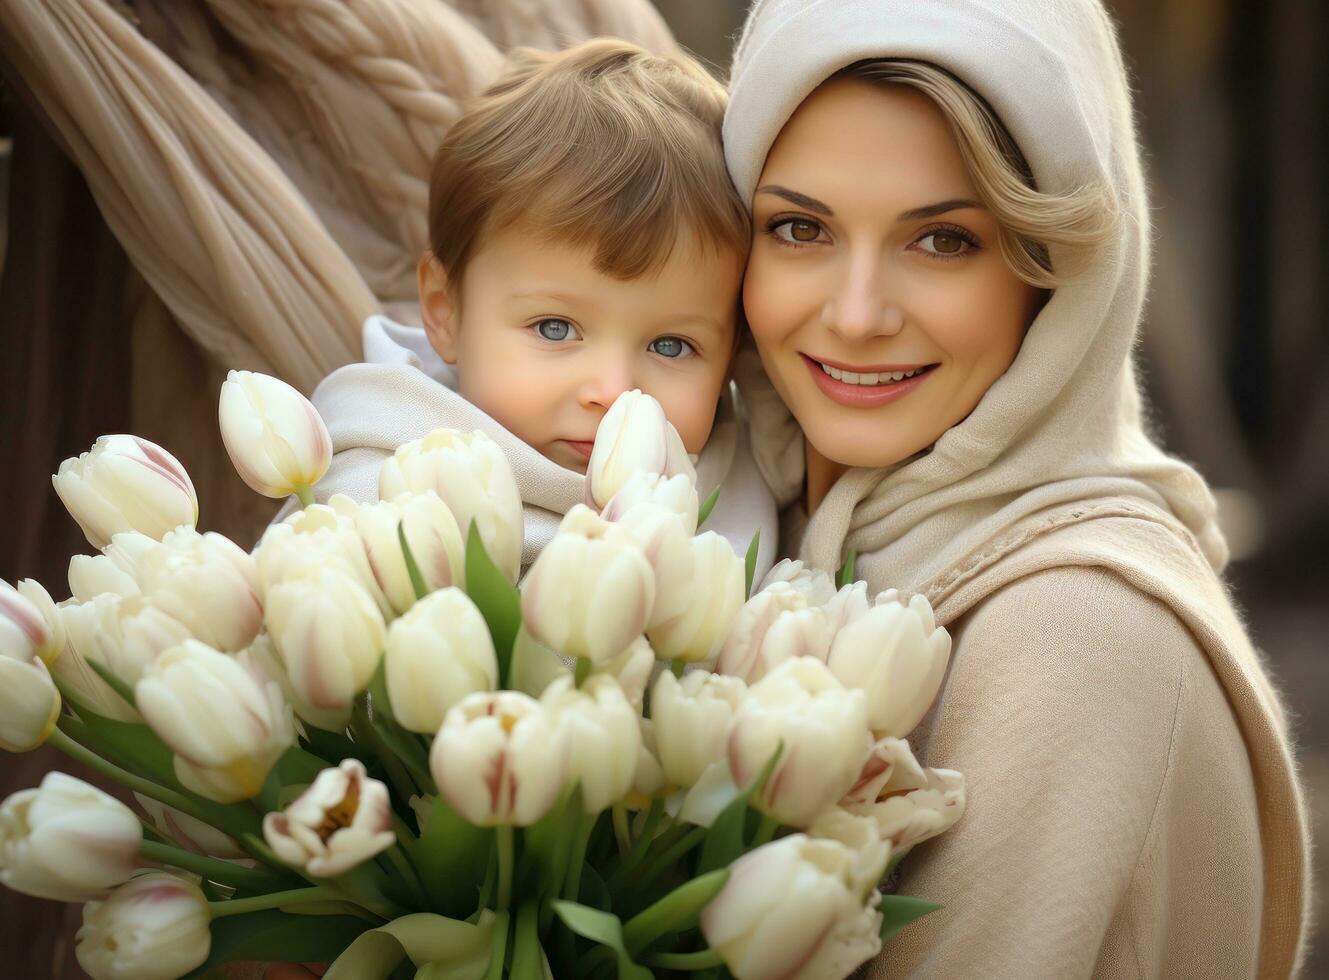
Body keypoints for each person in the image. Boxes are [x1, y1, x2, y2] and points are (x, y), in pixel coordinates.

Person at [723, 0, 1310, 977]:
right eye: (798, 227)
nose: (857, 313)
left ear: (1061, 272)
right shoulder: (746, 516)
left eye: (943, 240)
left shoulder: (1079, 629)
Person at [299, 39, 776, 576]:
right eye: (554, 328)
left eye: (672, 345)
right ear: (444, 309)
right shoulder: (382, 478)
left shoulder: (743, 472)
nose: (614, 392)